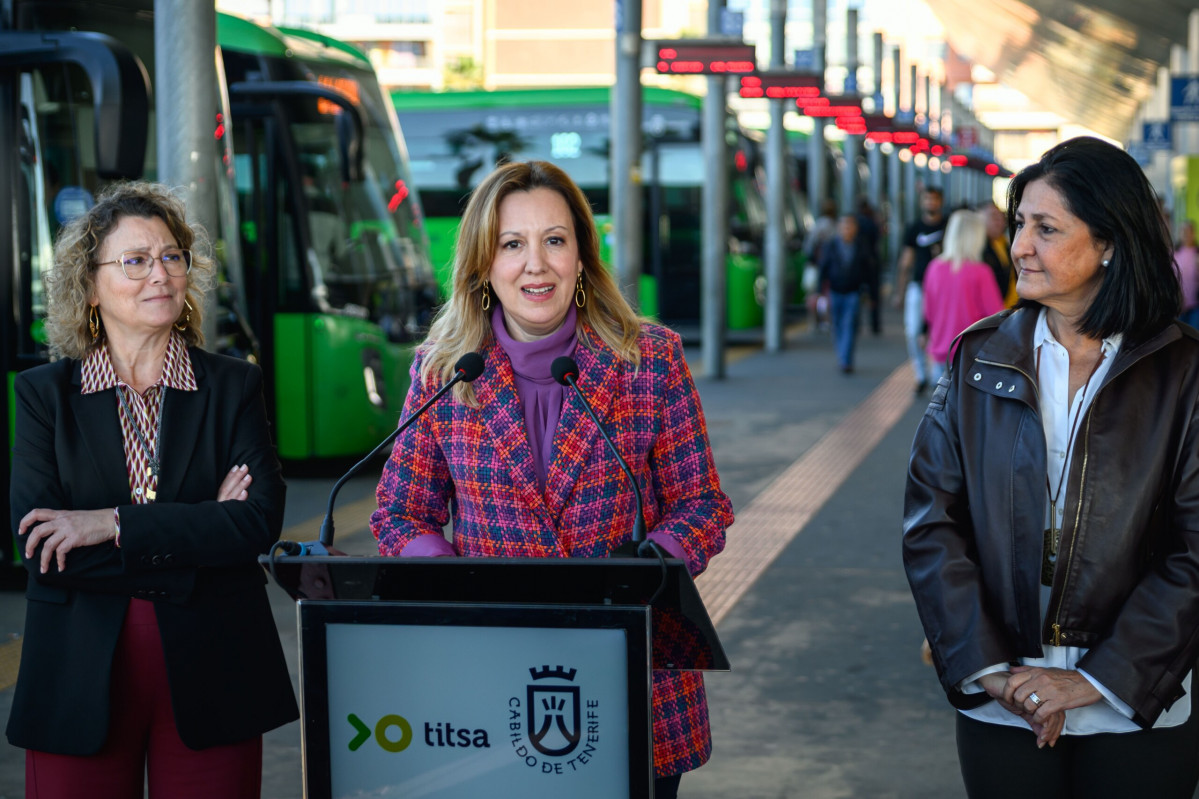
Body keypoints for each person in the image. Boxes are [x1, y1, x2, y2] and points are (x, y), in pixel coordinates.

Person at [370, 160, 733, 797]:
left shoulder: (650, 359)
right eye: (513, 244)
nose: (535, 264)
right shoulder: (443, 370)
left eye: (554, 241)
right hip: (489, 678)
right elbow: (400, 513)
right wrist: (454, 579)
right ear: (484, 264)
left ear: (581, 256)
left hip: (634, 670)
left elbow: (702, 504)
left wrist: (651, 567)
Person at [903, 136, 1199, 798]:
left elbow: (1194, 546)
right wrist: (985, 666)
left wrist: (1092, 678)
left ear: (1108, 243)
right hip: (999, 695)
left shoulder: (1182, 372)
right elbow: (932, 522)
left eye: (1045, 227)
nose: (1019, 246)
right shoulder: (977, 358)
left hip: (1135, 703)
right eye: (1018, 225)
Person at [8, 182, 299, 798]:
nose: (159, 274)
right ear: (89, 286)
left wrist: (109, 523)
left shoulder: (232, 387)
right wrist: (199, 529)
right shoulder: (43, 396)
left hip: (212, 664)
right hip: (78, 669)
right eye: (134, 260)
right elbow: (42, 547)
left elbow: (256, 524)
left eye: (171, 256)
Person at [921, 209, 1005, 384]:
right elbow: (996, 316)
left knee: (941, 409)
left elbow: (928, 313)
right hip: (971, 356)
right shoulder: (981, 272)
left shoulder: (934, 267)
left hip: (940, 354)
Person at [894, 186, 947, 394]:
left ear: (940, 201)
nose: (930, 203)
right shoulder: (914, 228)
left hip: (943, 289)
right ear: (922, 202)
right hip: (918, 286)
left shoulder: (948, 225)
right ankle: (920, 374)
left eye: (934, 199)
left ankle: (937, 373)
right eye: (927, 199)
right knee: (913, 331)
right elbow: (906, 261)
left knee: (938, 331)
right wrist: (900, 291)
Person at [818, 213, 873, 373]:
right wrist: (819, 291)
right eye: (844, 226)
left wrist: (870, 292)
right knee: (836, 324)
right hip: (835, 290)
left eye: (850, 226)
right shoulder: (831, 246)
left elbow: (869, 271)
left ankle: (845, 359)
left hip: (853, 292)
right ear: (839, 228)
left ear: (856, 229)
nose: (847, 229)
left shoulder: (861, 246)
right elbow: (823, 268)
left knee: (849, 324)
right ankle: (843, 355)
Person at [980, 202, 1017, 308]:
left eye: (1001, 217)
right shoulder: (977, 248)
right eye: (994, 217)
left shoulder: (1009, 244)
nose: (1000, 221)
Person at [1176, 219, 1198, 328]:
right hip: (1178, 305)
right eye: (1183, 230)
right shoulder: (1173, 253)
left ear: (1193, 233)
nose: (1185, 233)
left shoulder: (1197, 253)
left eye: (1188, 230)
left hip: (1196, 305)